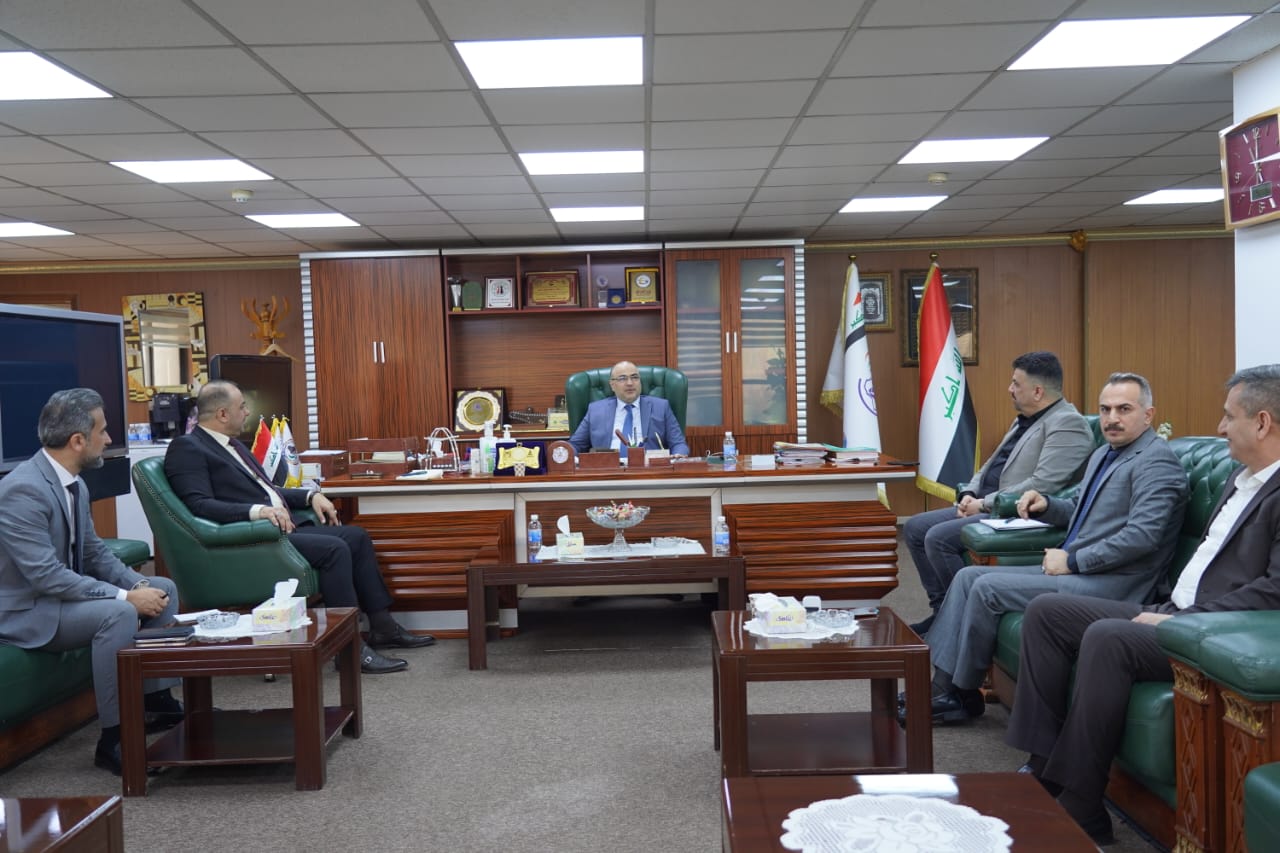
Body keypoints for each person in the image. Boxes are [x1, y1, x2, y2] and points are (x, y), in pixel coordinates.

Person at [1006, 365, 1280, 845]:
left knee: (1108, 637)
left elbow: (1274, 590)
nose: (1219, 428)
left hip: (1212, 630)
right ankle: (1043, 766)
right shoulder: (1242, 479)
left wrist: (1186, 620)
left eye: (1228, 416)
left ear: (1261, 423)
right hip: (1172, 608)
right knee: (1048, 612)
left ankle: (1082, 804)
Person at [901, 373, 1187, 726]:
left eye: (1124, 409)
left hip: (1115, 584)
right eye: (1105, 409)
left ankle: (955, 693)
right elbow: (1077, 509)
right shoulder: (1105, 454)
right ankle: (948, 689)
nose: (1112, 418)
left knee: (986, 586)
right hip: (1081, 571)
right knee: (967, 577)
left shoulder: (1156, 462)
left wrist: (1074, 561)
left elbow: (1142, 537)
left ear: (1148, 414)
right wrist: (1046, 505)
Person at [164, 380, 433, 675]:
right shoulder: (187, 448)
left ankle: (382, 627)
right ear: (222, 414)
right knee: (334, 549)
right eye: (242, 406)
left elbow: (267, 490)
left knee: (356, 536)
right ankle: (349, 649)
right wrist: (258, 512)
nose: (247, 412)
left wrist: (310, 495)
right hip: (250, 539)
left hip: (278, 528)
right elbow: (199, 505)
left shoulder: (233, 445)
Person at [0, 389, 184, 776]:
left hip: (58, 600)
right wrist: (125, 597)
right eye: (102, 431)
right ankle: (114, 739)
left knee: (162, 589)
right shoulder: (22, 490)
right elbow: (46, 575)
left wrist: (137, 585)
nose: (108, 438)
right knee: (117, 614)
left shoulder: (74, 483)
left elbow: (94, 553)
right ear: (78, 441)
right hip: (25, 612)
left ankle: (156, 702)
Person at [903, 351, 1095, 633]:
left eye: (1016, 383)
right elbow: (991, 465)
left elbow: (1043, 484)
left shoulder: (1068, 424)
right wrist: (969, 493)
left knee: (937, 538)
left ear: (1038, 391)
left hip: (1016, 513)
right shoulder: (1024, 419)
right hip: (987, 505)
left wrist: (983, 503)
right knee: (915, 528)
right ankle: (943, 611)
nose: (1010, 389)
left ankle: (963, 616)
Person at [569, 361, 689, 456]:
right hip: (608, 471)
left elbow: (678, 444)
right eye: (622, 378)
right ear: (612, 385)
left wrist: (678, 455)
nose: (630, 383)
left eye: (635, 377)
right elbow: (576, 444)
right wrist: (564, 453)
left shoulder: (661, 407)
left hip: (649, 472)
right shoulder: (595, 410)